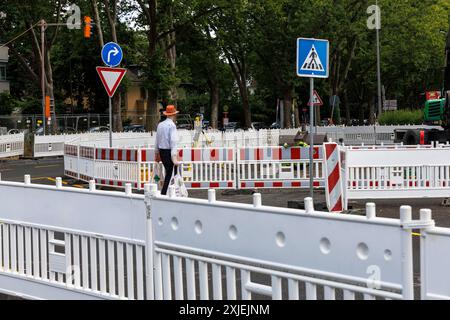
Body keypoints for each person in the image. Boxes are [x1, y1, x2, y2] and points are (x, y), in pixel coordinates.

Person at [155, 105, 180, 195]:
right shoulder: (172, 125)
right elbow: (173, 141)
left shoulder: (160, 125)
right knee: (170, 173)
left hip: (162, 151)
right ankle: (166, 192)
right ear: (173, 115)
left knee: (168, 171)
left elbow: (157, 140)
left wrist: (157, 152)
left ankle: (166, 191)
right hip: (169, 151)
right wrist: (174, 157)